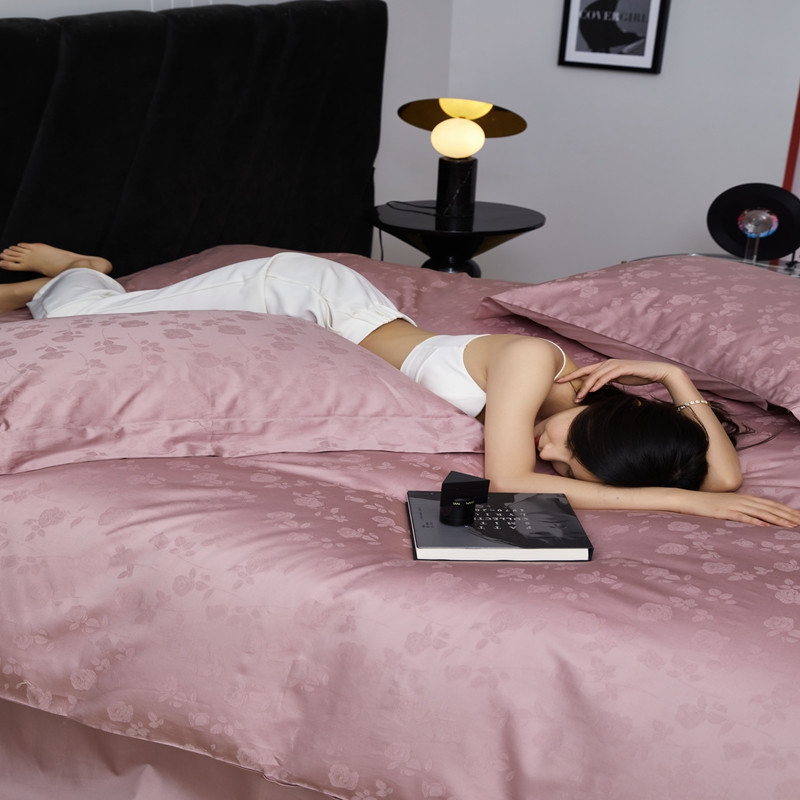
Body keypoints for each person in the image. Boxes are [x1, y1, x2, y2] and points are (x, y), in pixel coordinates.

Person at [2, 242, 798, 529]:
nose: (549, 457)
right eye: (567, 453)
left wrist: (672, 377)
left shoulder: (589, 411)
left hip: (340, 316)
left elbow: (721, 473)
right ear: (601, 426)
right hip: (303, 295)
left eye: (561, 465)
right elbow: (509, 482)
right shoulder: (532, 370)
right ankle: (81, 267)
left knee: (114, 314)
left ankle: (79, 282)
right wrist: (685, 504)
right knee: (89, 321)